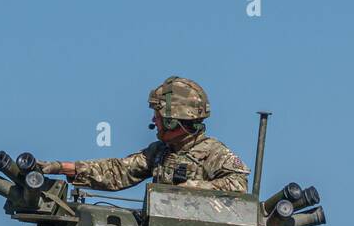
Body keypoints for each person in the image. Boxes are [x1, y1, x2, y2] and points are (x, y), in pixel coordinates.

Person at [37, 77, 249, 192]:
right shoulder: (159, 153)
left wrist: (190, 189)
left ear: (171, 119)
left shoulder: (214, 153)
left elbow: (238, 185)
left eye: (157, 116)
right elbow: (118, 172)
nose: (153, 121)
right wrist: (64, 168)